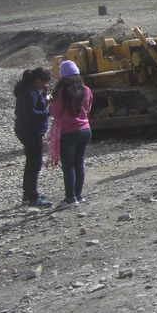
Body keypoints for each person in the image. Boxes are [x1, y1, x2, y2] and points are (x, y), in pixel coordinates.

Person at [49, 60, 93, 207]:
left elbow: (56, 112)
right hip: (85, 130)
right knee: (79, 163)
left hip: (68, 132)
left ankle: (70, 198)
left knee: (68, 166)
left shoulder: (62, 92)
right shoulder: (86, 90)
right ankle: (79, 195)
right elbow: (88, 108)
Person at [13, 67, 53, 208]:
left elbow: (36, 105)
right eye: (44, 82)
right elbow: (31, 113)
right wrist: (48, 112)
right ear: (37, 80)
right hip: (30, 132)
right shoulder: (29, 93)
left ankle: (28, 194)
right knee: (34, 164)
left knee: (32, 162)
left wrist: (45, 94)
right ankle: (33, 196)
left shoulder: (32, 91)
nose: (45, 85)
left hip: (29, 131)